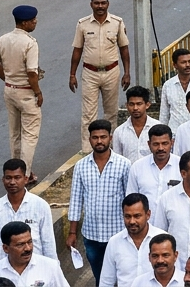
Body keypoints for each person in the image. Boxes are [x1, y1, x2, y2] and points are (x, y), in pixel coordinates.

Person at [67, 119, 132, 282]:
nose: (99, 141)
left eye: (103, 137)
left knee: (120, 276)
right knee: (100, 277)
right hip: (91, 234)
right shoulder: (81, 166)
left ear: (110, 138)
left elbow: (129, 199)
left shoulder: (124, 164)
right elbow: (76, 200)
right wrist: (72, 233)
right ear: (90, 139)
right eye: (95, 137)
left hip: (117, 233)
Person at [70, 0, 131, 151]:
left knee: (111, 112)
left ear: (108, 4)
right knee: (88, 114)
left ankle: (110, 147)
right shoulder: (83, 24)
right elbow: (77, 50)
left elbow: (124, 49)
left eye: (103, 3)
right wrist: (72, 74)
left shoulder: (117, 23)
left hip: (112, 72)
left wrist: (127, 73)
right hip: (90, 73)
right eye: (96, 3)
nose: (100, 6)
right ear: (91, 4)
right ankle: (87, 149)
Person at [0, 5, 44, 180]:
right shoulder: (30, 43)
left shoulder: (4, 39)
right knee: (29, 135)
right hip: (26, 93)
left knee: (15, 133)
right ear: (25, 23)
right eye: (33, 20)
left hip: (10, 90)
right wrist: (38, 92)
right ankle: (25, 174)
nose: (35, 22)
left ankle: (15, 170)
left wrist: (8, 79)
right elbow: (32, 73)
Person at [0, 159, 55, 266]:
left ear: (26, 179)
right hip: (5, 269)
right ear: (3, 180)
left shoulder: (40, 206)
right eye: (8, 178)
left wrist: (53, 267)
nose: (12, 182)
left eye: (17, 177)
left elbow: (48, 242)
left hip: (35, 266)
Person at [100, 193, 165, 287]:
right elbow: (106, 281)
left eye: (137, 216)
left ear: (148, 215)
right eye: (127, 216)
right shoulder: (114, 242)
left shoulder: (164, 240)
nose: (132, 221)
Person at [0, 221, 70, 287]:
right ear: (6, 248)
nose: (28, 248)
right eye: (20, 245)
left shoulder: (50, 266)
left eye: (29, 242)